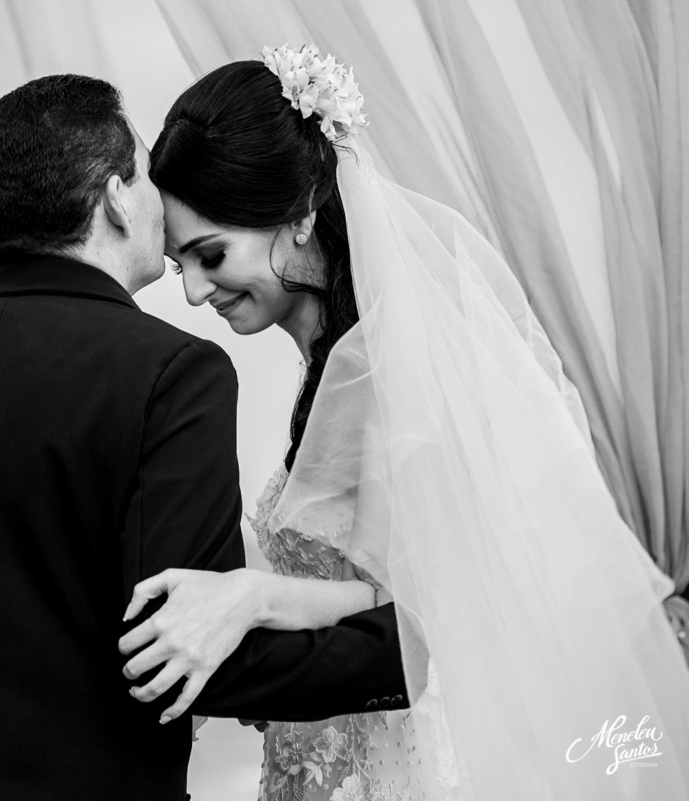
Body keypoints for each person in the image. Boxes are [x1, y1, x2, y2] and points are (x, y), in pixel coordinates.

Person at [0, 74, 409, 801]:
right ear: (118, 197)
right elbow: (187, 643)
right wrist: (408, 651)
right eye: (148, 170)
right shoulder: (170, 374)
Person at [121, 44, 689, 800]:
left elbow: (441, 616)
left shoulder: (388, 376)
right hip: (332, 749)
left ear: (296, 216)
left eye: (210, 254)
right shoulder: (331, 368)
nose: (193, 292)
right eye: (178, 262)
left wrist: (254, 599)